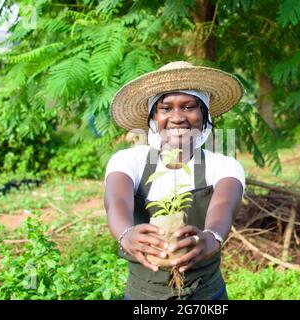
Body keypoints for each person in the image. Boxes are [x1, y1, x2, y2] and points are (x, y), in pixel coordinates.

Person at [104, 61, 245, 300]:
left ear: (204, 115)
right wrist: (126, 234)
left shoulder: (222, 166)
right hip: (143, 296)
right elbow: (116, 200)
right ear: (154, 117)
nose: (177, 117)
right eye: (166, 108)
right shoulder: (130, 161)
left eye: (189, 107)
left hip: (206, 295)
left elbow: (224, 205)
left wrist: (212, 237)